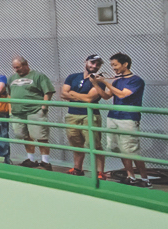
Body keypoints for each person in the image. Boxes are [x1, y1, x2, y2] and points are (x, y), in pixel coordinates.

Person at [93, 53, 150, 186]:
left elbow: (123, 95)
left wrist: (105, 82)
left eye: (115, 65)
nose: (113, 68)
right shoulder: (117, 81)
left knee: (131, 150)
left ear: (125, 64)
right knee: (119, 149)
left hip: (128, 118)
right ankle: (131, 176)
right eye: (112, 65)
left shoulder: (135, 80)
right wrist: (96, 84)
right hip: (114, 117)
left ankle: (145, 179)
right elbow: (107, 96)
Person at [59, 55, 107, 176]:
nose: (94, 66)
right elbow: (63, 94)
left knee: (94, 145)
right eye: (92, 63)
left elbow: (90, 98)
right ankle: (77, 169)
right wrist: (82, 97)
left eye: (98, 64)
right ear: (86, 62)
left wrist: (73, 94)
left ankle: (99, 172)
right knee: (76, 143)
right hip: (72, 114)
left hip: (90, 115)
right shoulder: (72, 77)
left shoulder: (98, 80)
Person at [8, 57, 55, 168]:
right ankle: (30, 159)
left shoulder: (38, 76)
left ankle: (45, 161)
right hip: (18, 112)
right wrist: (10, 110)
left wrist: (43, 107)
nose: (16, 70)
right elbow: (9, 94)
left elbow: (48, 91)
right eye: (14, 68)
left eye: (18, 67)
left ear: (25, 65)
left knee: (41, 136)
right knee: (24, 135)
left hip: (34, 110)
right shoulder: (12, 78)